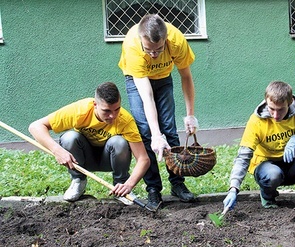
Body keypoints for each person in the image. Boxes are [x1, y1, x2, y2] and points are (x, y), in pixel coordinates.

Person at [118, 14, 198, 210]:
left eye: (159, 49)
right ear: (141, 40)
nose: (154, 55)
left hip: (163, 78)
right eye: (149, 50)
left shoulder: (176, 40)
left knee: (169, 129)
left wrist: (190, 114)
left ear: (166, 40)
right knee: (145, 131)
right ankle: (153, 188)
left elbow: (186, 76)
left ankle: (177, 184)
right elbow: (147, 97)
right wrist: (155, 135)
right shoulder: (132, 46)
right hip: (137, 81)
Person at [28, 82, 150, 205]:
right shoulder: (80, 110)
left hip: (109, 159)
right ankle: (78, 181)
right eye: (106, 111)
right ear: (95, 104)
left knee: (119, 142)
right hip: (81, 160)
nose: (112, 115)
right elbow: (35, 126)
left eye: (117, 109)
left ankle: (120, 187)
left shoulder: (125, 120)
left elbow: (143, 159)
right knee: (69, 137)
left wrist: (129, 184)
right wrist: (57, 150)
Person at [223, 81, 295, 212]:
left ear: (289, 103)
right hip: (267, 168)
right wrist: (233, 188)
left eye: (281, 110)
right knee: (273, 175)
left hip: (292, 163)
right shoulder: (257, 121)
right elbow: (243, 156)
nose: (276, 115)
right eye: (271, 109)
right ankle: (268, 195)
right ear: (266, 102)